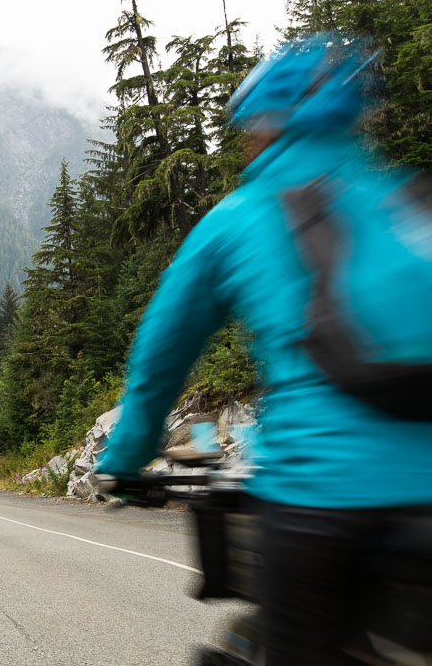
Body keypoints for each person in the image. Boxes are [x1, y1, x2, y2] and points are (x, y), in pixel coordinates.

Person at [95, 33, 432, 665]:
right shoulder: (409, 201)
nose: (245, 138)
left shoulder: (240, 215)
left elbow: (160, 359)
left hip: (321, 500)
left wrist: (124, 459)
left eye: (248, 125)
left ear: (270, 121)